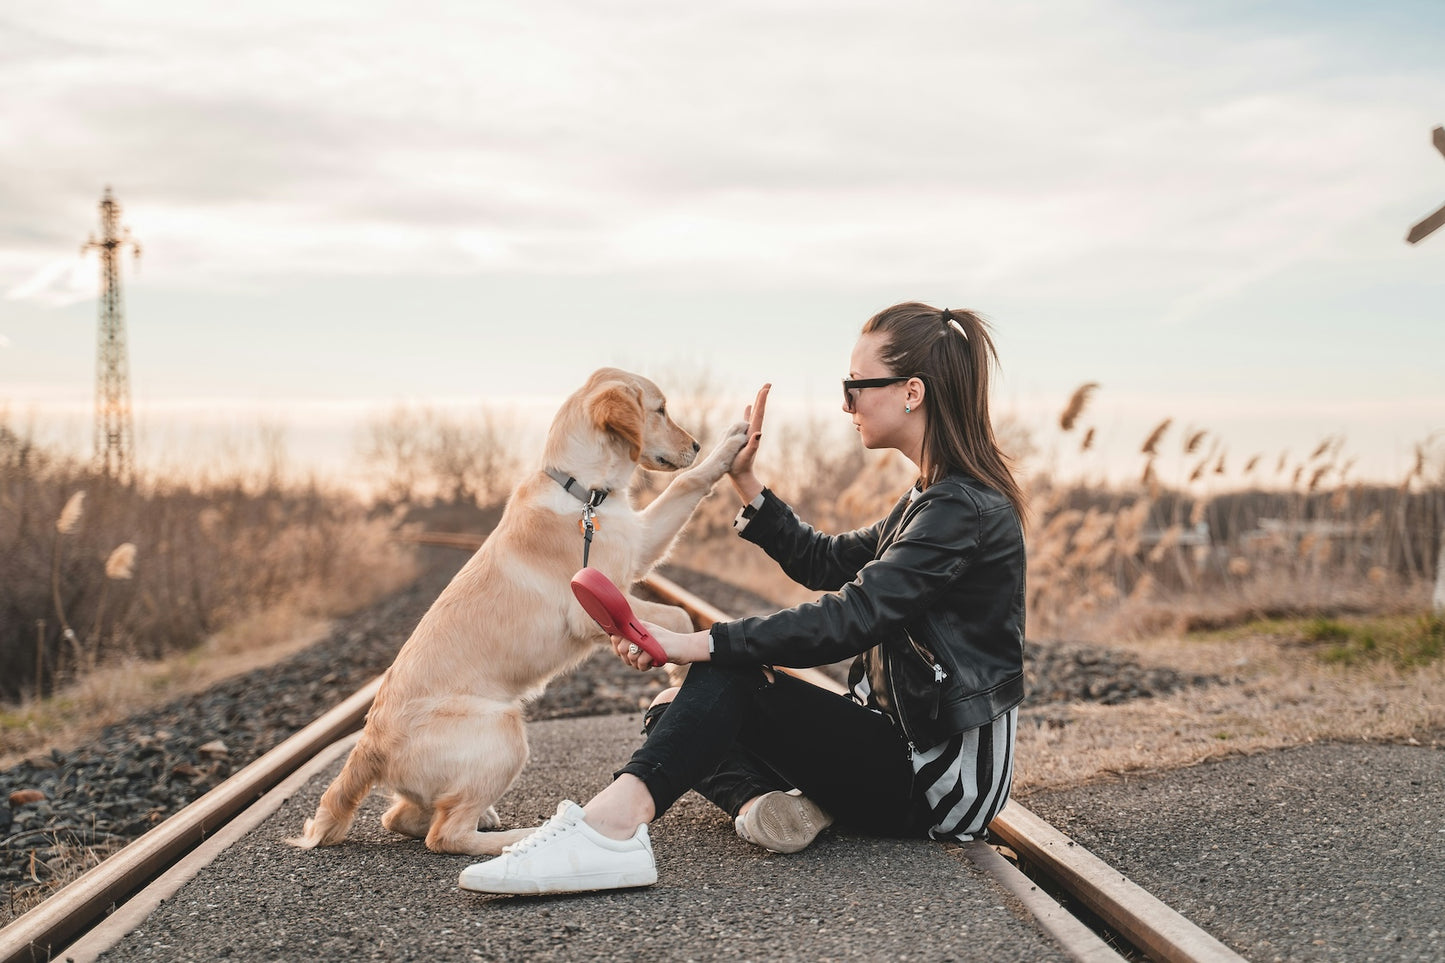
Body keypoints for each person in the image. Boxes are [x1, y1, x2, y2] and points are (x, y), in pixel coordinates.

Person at [458, 302, 1028, 895]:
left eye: (854, 386)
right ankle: (772, 806)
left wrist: (699, 642)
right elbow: (825, 561)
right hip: (894, 744)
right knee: (672, 712)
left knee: (723, 679)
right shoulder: (931, 499)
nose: (845, 404)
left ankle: (608, 831)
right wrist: (745, 480)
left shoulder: (960, 510)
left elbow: (851, 618)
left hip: (938, 779)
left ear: (911, 392)